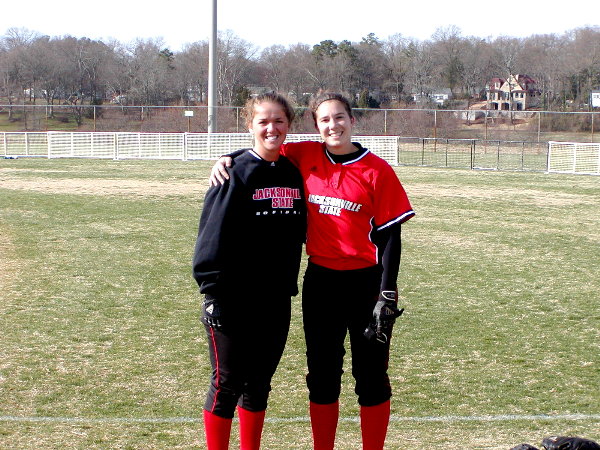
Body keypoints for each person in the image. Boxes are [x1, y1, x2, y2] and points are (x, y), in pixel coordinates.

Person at [210, 92, 415, 450]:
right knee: (322, 376)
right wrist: (228, 159)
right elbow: (264, 148)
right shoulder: (304, 155)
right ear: (316, 125)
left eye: (339, 117)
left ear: (352, 120)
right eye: (324, 120)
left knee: (371, 378)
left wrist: (386, 294)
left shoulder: (377, 169)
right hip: (321, 283)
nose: (333, 125)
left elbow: (390, 236)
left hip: (367, 284)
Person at [193, 92, 306, 450]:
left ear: (289, 124)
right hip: (232, 298)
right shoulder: (233, 172)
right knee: (226, 384)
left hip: (275, 299)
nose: (272, 128)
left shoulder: (292, 172)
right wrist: (212, 292)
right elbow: (211, 237)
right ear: (249, 125)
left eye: (279, 121)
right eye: (263, 121)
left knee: (258, 384)